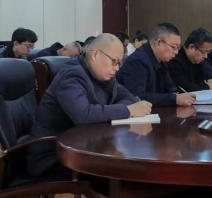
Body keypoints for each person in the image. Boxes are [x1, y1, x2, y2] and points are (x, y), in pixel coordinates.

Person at [29, 34, 151, 177]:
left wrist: (125, 108)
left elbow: (129, 98)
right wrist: (127, 110)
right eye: (114, 61)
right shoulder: (72, 75)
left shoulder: (103, 76)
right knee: (127, 171)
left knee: (131, 164)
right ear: (95, 55)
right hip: (55, 155)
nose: (117, 68)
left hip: (85, 146)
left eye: (119, 63)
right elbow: (83, 115)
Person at [117, 22, 195, 106]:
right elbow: (137, 98)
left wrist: (178, 95)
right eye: (173, 47)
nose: (176, 52)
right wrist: (174, 99)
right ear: (159, 43)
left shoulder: (162, 60)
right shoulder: (137, 61)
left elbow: (171, 88)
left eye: (178, 48)